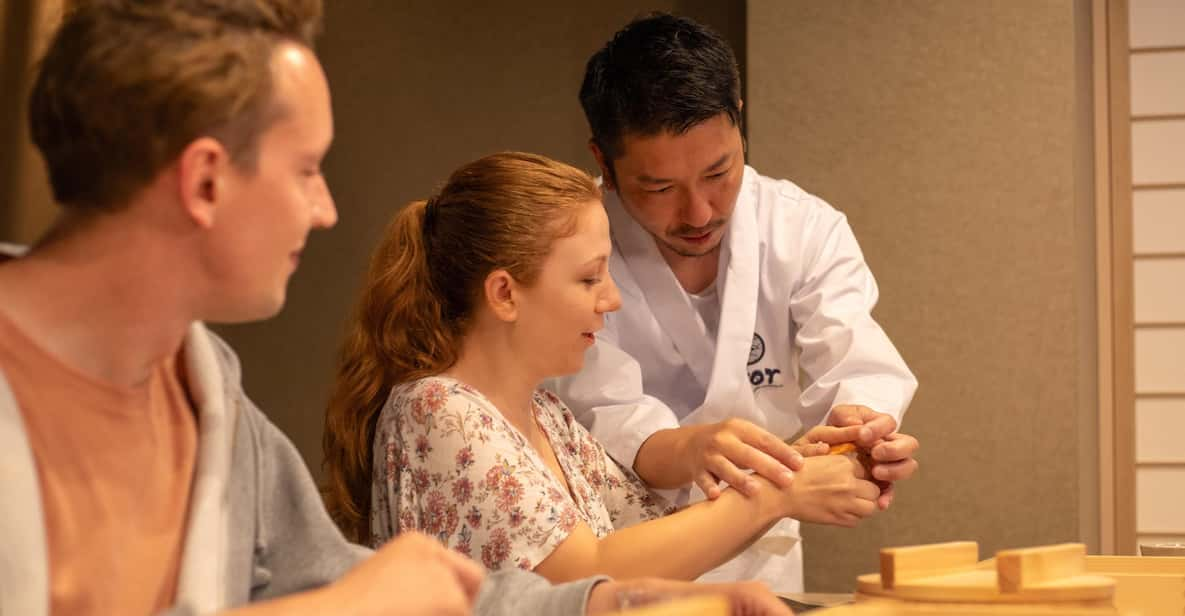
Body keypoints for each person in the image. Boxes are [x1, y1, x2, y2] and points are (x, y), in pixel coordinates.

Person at [0, 2, 787, 615]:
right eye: (306, 169)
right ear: (205, 181)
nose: (326, 209)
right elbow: (347, 600)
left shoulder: (210, 397)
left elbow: (365, 586)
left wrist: (618, 600)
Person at [321, 151, 880, 587]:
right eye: (590, 279)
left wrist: (790, 462)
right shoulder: (438, 411)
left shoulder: (546, 415)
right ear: (505, 294)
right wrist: (780, 494)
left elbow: (654, 541)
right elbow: (586, 573)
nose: (610, 300)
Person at [550, 13, 922, 593]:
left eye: (719, 172)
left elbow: (855, 359)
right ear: (603, 161)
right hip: (625, 555)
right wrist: (692, 448)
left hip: (764, 556)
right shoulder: (575, 248)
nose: (698, 213)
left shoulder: (800, 228)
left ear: (739, 117)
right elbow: (603, 409)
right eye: (660, 188)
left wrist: (862, 429)